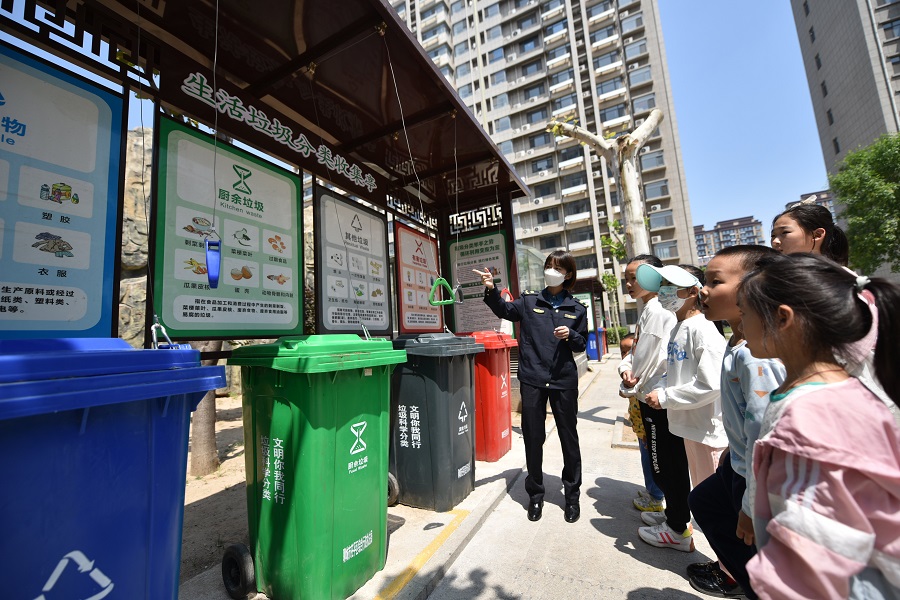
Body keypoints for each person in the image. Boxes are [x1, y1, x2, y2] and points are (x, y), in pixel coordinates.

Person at [738, 253, 900, 599]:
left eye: (744, 313)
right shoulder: (847, 392)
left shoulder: (805, 419)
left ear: (782, 318)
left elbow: (814, 562)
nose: (739, 325)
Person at [687, 245, 786, 599]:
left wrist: (750, 506)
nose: (704, 290)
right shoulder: (738, 340)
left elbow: (767, 434)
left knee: (758, 549)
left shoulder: (758, 355)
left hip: (756, 479)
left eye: (715, 281)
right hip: (739, 466)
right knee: (705, 502)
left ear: (755, 287)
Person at [474, 250, 588, 523]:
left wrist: (570, 334)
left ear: (568, 274)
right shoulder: (529, 301)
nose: (551, 270)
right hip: (533, 379)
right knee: (533, 438)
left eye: (557, 268)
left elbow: (582, 344)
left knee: (568, 439)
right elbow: (504, 309)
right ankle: (535, 495)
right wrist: (492, 289)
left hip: (563, 381)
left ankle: (572, 497)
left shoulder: (577, 308)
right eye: (548, 266)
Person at [635, 264, 726, 553]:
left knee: (715, 502)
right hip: (688, 425)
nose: (663, 292)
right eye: (660, 285)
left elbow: (711, 383)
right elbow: (676, 371)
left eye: (669, 285)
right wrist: (661, 388)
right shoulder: (680, 327)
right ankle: (717, 558)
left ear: (692, 291)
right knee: (702, 496)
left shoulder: (702, 329)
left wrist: (666, 397)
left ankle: (730, 571)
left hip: (705, 430)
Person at [617, 255, 675, 513]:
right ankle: (658, 497)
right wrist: (626, 369)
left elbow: (650, 357)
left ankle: (659, 503)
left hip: (652, 395)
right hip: (646, 392)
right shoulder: (651, 308)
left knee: (656, 452)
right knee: (650, 448)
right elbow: (638, 353)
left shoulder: (658, 310)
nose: (630, 284)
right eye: (627, 278)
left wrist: (630, 380)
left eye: (636, 277)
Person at [620, 332, 666, 511]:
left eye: (629, 351)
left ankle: (656, 497)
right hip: (639, 426)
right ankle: (651, 491)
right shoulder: (629, 373)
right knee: (646, 458)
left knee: (652, 460)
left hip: (648, 427)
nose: (625, 356)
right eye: (623, 352)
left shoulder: (643, 374)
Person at [770, 197, 849, 265]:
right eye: (773, 236)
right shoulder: (775, 278)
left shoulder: (840, 278)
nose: (774, 242)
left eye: (785, 232)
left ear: (817, 235)